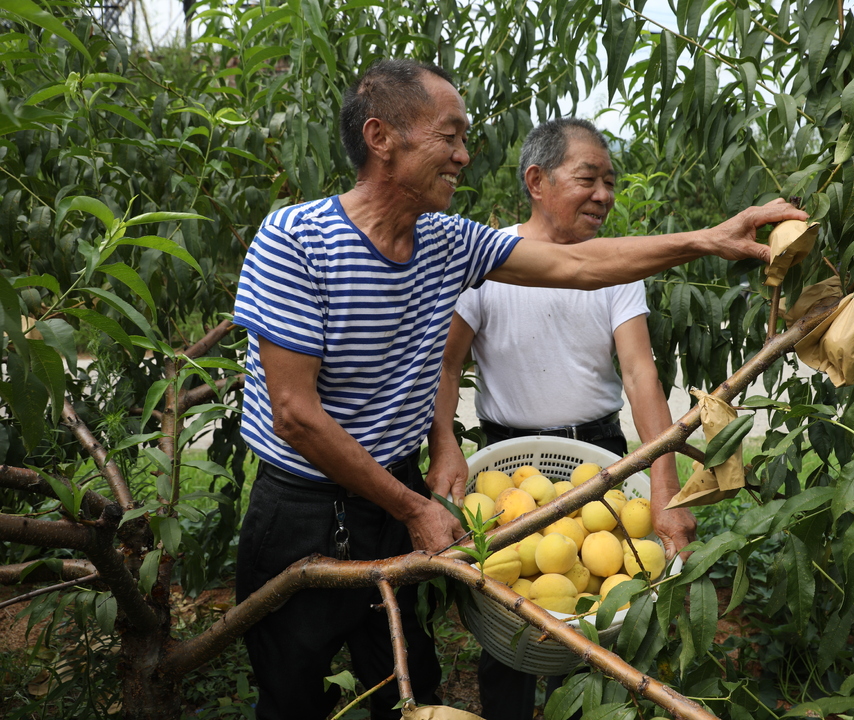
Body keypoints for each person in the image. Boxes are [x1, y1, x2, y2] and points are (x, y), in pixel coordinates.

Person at [232, 58, 806, 720]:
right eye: (449, 136)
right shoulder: (296, 239)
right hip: (302, 508)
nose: (464, 155)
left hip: (388, 499)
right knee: (289, 692)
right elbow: (295, 415)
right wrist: (415, 506)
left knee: (405, 677)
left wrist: (710, 239)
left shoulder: (447, 243)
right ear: (382, 137)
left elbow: (573, 263)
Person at [426, 118, 698, 720]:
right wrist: (443, 441)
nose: (605, 195)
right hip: (511, 465)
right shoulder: (486, 257)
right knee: (509, 621)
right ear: (537, 181)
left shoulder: (614, 268)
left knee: (593, 617)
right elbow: (446, 366)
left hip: (596, 458)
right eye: (589, 179)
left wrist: (665, 484)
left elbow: (639, 375)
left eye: (611, 181)